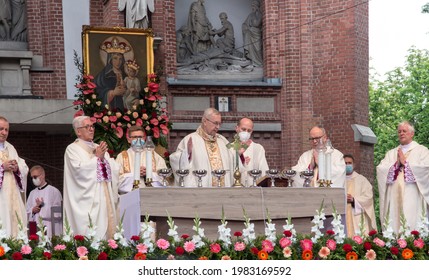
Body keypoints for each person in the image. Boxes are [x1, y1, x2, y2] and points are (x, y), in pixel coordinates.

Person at [63, 116, 118, 239]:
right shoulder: (72, 149)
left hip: (104, 198)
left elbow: (113, 169)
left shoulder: (98, 147)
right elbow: (78, 172)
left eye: (92, 126)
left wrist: (104, 159)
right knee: (92, 234)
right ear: (78, 131)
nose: (91, 129)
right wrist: (97, 158)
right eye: (87, 127)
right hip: (87, 200)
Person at [376, 121, 429, 233]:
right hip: (393, 194)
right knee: (394, 220)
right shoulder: (391, 153)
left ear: (412, 134)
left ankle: (415, 244)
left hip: (413, 194)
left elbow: (426, 169)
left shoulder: (422, 151)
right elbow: (380, 169)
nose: (401, 133)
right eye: (399, 131)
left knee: (411, 219)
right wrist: (396, 165)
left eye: (404, 131)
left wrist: (406, 163)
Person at [170, 108, 233, 187]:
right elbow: (175, 159)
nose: (218, 127)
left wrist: (240, 156)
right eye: (215, 123)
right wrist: (186, 154)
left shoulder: (223, 141)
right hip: (199, 193)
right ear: (205, 121)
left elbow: (233, 157)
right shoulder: (190, 139)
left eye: (220, 124)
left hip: (224, 193)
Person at [0, 116, 28, 237]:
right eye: (1, 129)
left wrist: (17, 168)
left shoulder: (11, 148)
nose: (4, 132)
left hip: (12, 196)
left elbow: (23, 167)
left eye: (6, 130)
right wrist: (2, 167)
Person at [116, 125, 168, 191]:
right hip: (129, 195)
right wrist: (135, 174)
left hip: (151, 195)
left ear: (144, 138)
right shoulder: (122, 156)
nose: (138, 140)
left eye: (140, 137)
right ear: (128, 139)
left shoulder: (154, 155)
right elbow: (116, 180)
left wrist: (149, 174)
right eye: (135, 137)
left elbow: (164, 178)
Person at [343, 154, 377, 237]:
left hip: (357, 215)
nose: (347, 165)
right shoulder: (338, 180)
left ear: (353, 165)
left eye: (349, 163)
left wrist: (354, 200)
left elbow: (368, 197)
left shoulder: (361, 180)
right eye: (345, 163)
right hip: (342, 215)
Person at [26, 165, 62, 238]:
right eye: (32, 177)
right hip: (36, 227)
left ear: (42, 175)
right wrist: (33, 210)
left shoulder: (54, 191)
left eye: (35, 177)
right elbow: (27, 210)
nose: (33, 179)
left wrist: (42, 206)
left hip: (50, 227)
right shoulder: (32, 193)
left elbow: (58, 213)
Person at [95, 37, 130, 111]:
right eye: (115, 58)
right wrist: (112, 93)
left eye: (120, 59)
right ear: (110, 60)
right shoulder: (103, 75)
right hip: (111, 107)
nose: (118, 62)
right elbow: (97, 91)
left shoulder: (126, 74)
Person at [233, 117, 269, 187]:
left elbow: (264, 173)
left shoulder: (258, 148)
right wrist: (240, 159)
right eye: (243, 129)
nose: (246, 132)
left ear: (252, 132)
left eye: (249, 130)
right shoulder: (230, 148)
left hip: (254, 191)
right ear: (237, 128)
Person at [242, 0, 263, 66]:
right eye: (252, 6)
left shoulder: (260, 14)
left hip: (256, 34)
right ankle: (252, 61)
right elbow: (244, 24)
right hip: (250, 34)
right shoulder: (250, 15)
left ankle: (259, 62)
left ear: (257, 6)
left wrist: (256, 14)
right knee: (247, 34)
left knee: (258, 49)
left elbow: (257, 24)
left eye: (253, 6)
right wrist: (246, 27)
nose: (252, 7)